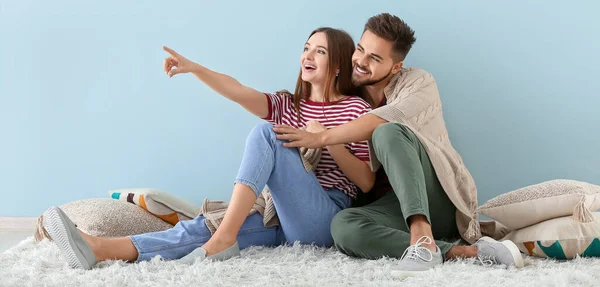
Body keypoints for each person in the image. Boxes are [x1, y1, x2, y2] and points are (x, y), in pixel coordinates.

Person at [41, 27, 376, 270]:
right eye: (306, 47)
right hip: (281, 217)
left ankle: (225, 238)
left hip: (322, 217)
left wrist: (327, 140)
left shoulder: (355, 110)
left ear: (337, 65)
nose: (308, 55)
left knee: (265, 134)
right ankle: (101, 249)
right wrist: (195, 69)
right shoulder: (289, 105)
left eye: (320, 50)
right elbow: (237, 89)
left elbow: (365, 183)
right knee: (202, 229)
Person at [273, 13, 524, 277]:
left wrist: (323, 137)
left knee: (387, 132)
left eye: (375, 58)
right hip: (389, 208)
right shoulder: (347, 95)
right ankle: (461, 252)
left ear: (395, 66)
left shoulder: (418, 82)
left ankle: (421, 233)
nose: (360, 61)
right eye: (360, 50)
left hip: (437, 198)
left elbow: (383, 119)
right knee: (342, 227)